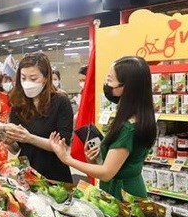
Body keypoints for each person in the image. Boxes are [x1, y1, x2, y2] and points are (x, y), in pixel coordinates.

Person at [50, 56, 157, 200]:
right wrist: (93, 160)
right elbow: (115, 165)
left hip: (124, 195)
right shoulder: (138, 118)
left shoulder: (128, 128)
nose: (106, 84)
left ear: (127, 87)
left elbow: (107, 172)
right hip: (122, 188)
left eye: (110, 80)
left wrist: (67, 159)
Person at [4, 53, 74, 182]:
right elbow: (17, 148)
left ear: (46, 78)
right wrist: (9, 141)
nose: (27, 83)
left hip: (55, 174)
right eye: (23, 78)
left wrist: (30, 138)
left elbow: (62, 145)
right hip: (27, 175)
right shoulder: (18, 104)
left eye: (33, 78)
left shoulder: (60, 102)